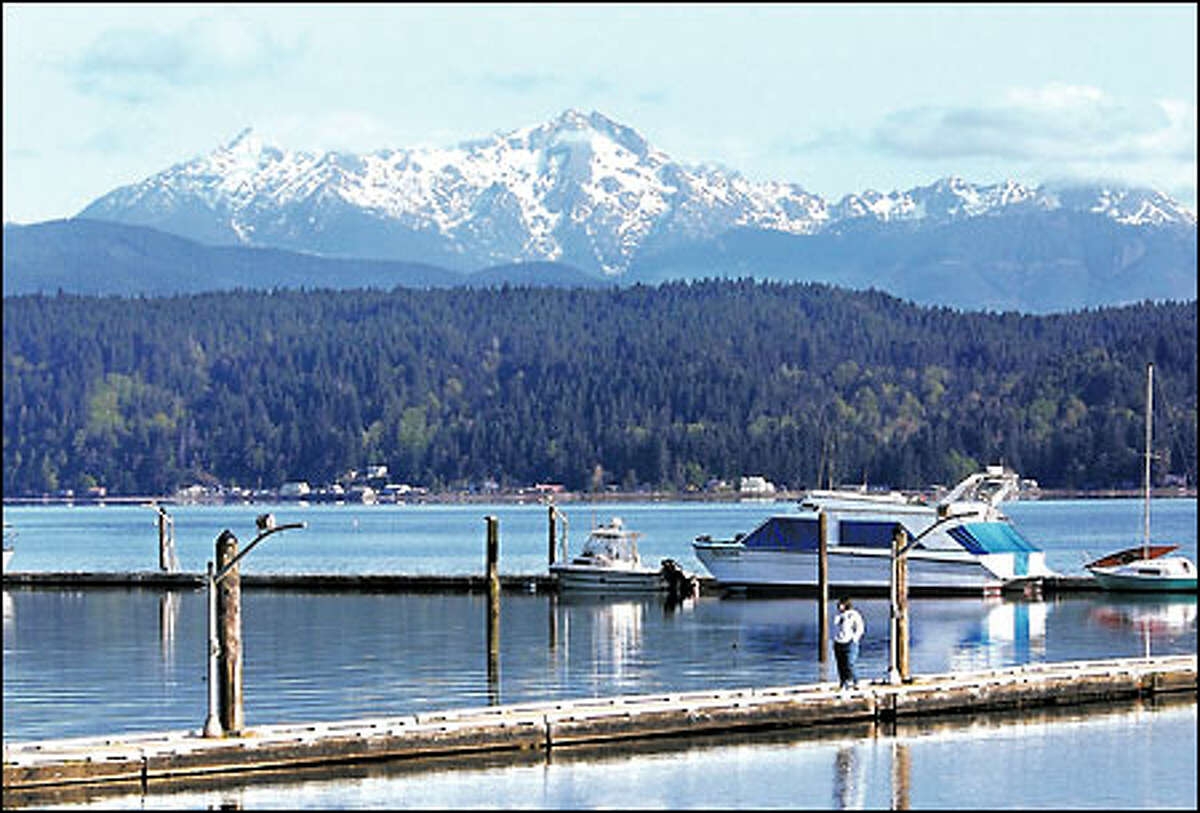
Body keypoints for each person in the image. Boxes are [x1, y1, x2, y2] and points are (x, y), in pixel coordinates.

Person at [832, 596, 865, 690]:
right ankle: (843, 682)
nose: (839, 606)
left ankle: (855, 681)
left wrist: (855, 638)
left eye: (841, 604)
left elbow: (860, 627)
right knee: (840, 664)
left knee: (850, 663)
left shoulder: (853, 614)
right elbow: (834, 628)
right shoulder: (837, 616)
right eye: (838, 605)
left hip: (850, 642)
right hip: (838, 642)